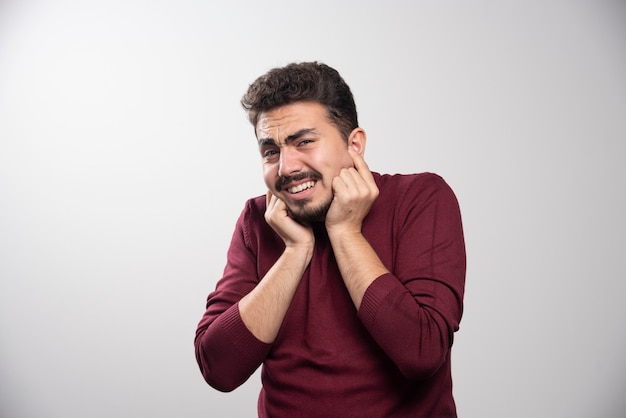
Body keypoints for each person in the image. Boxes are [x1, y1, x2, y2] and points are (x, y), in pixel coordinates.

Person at [194, 61, 466, 417]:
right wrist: (295, 251)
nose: (286, 167)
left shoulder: (421, 198)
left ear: (354, 144)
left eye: (304, 142)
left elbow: (422, 353)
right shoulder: (258, 221)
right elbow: (219, 368)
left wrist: (345, 232)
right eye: (270, 151)